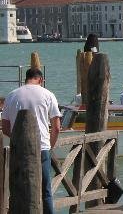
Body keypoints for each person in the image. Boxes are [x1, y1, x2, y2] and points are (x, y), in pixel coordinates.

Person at [2, 68, 61, 214]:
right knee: (45, 190)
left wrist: (19, 139)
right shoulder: (48, 94)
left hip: (19, 149)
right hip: (42, 148)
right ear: (40, 80)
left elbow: (5, 128)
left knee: (17, 188)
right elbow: (57, 127)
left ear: (26, 79)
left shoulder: (12, 95)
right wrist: (50, 145)